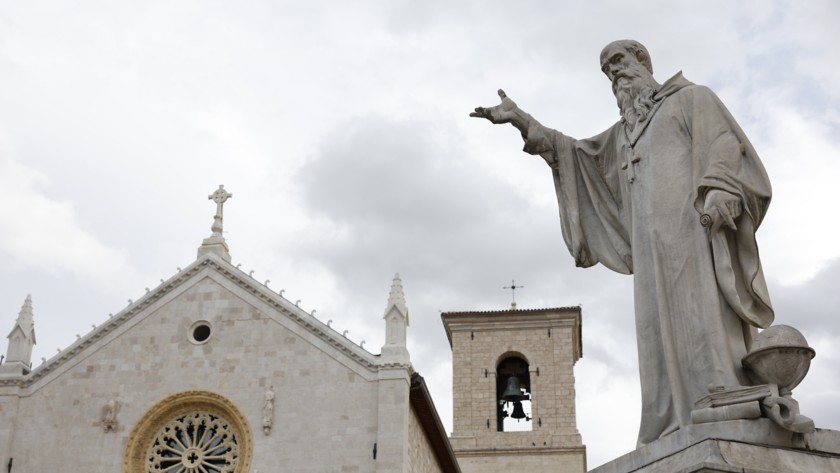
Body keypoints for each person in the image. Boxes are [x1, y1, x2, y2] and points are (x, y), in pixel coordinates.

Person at [471, 39, 774, 446]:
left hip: (692, 233)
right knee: (654, 335)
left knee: (700, 313)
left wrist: (721, 190)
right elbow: (575, 155)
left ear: (642, 61)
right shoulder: (623, 136)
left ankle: (719, 391)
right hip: (649, 255)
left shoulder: (691, 99)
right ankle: (670, 417)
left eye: (618, 61)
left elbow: (723, 145)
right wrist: (521, 119)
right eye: (606, 68)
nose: (613, 72)